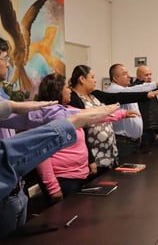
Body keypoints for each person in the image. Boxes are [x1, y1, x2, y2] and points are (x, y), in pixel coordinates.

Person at [0, 101, 119, 238]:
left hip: (17, 193)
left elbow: (34, 115)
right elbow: (10, 155)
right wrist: (69, 124)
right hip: (7, 196)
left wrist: (14, 106)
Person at [36, 73, 138, 203]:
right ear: (57, 91)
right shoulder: (45, 117)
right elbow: (42, 157)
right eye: (67, 87)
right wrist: (53, 187)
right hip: (63, 179)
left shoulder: (68, 110)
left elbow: (93, 116)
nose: (70, 90)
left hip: (78, 176)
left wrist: (122, 114)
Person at [68, 65, 158, 170]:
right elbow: (82, 132)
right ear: (82, 79)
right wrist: (90, 159)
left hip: (109, 153)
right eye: (92, 77)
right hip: (95, 155)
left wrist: (146, 96)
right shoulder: (74, 100)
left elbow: (120, 98)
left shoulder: (95, 94)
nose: (95, 81)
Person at [105, 63, 158, 155]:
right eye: (124, 74)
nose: (129, 76)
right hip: (123, 142)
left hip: (134, 142)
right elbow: (138, 89)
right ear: (115, 78)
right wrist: (156, 84)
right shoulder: (113, 90)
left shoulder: (127, 90)